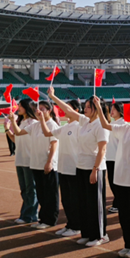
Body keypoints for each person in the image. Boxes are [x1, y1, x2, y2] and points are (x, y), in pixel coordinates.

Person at [48, 87, 110, 247]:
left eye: (89, 107)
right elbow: (68, 110)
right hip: (80, 167)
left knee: (95, 204)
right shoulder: (85, 122)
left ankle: (100, 235)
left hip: (94, 168)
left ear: (96, 108)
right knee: (84, 202)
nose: (85, 109)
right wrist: (54, 97)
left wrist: (95, 169)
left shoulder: (100, 125)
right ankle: (87, 233)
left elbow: (102, 149)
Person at [95, 97, 130, 258]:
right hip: (120, 178)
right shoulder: (124, 127)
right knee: (124, 215)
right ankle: (129, 244)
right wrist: (99, 107)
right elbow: (105, 125)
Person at [9, 101, 60, 229]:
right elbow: (19, 133)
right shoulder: (35, 125)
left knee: (50, 194)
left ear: (49, 110)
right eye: (38, 109)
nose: (39, 111)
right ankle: (43, 219)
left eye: (42, 109)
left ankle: (50, 220)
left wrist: (49, 162)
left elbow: (54, 144)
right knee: (42, 193)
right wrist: (12, 121)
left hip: (47, 164)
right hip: (36, 164)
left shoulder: (52, 125)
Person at [47, 100, 82, 237]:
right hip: (63, 167)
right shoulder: (65, 127)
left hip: (74, 168)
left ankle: (77, 225)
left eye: (69, 108)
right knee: (66, 199)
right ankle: (70, 224)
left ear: (76, 111)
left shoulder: (80, 126)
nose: (65, 110)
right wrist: (42, 119)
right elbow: (48, 133)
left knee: (74, 199)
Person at [4, 98, 38, 224]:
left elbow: (18, 134)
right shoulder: (22, 122)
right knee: (24, 189)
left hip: (29, 160)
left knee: (30, 188)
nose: (17, 108)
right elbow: (15, 139)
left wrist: (12, 122)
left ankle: (31, 215)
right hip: (20, 159)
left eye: (20, 106)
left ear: (27, 107)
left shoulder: (33, 122)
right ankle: (26, 214)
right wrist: (7, 129)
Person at [106, 102, 127, 214]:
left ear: (120, 110)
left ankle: (118, 203)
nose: (112, 111)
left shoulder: (123, 123)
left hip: (117, 158)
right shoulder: (113, 123)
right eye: (111, 109)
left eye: (114, 109)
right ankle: (118, 202)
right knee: (112, 182)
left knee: (116, 182)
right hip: (110, 157)